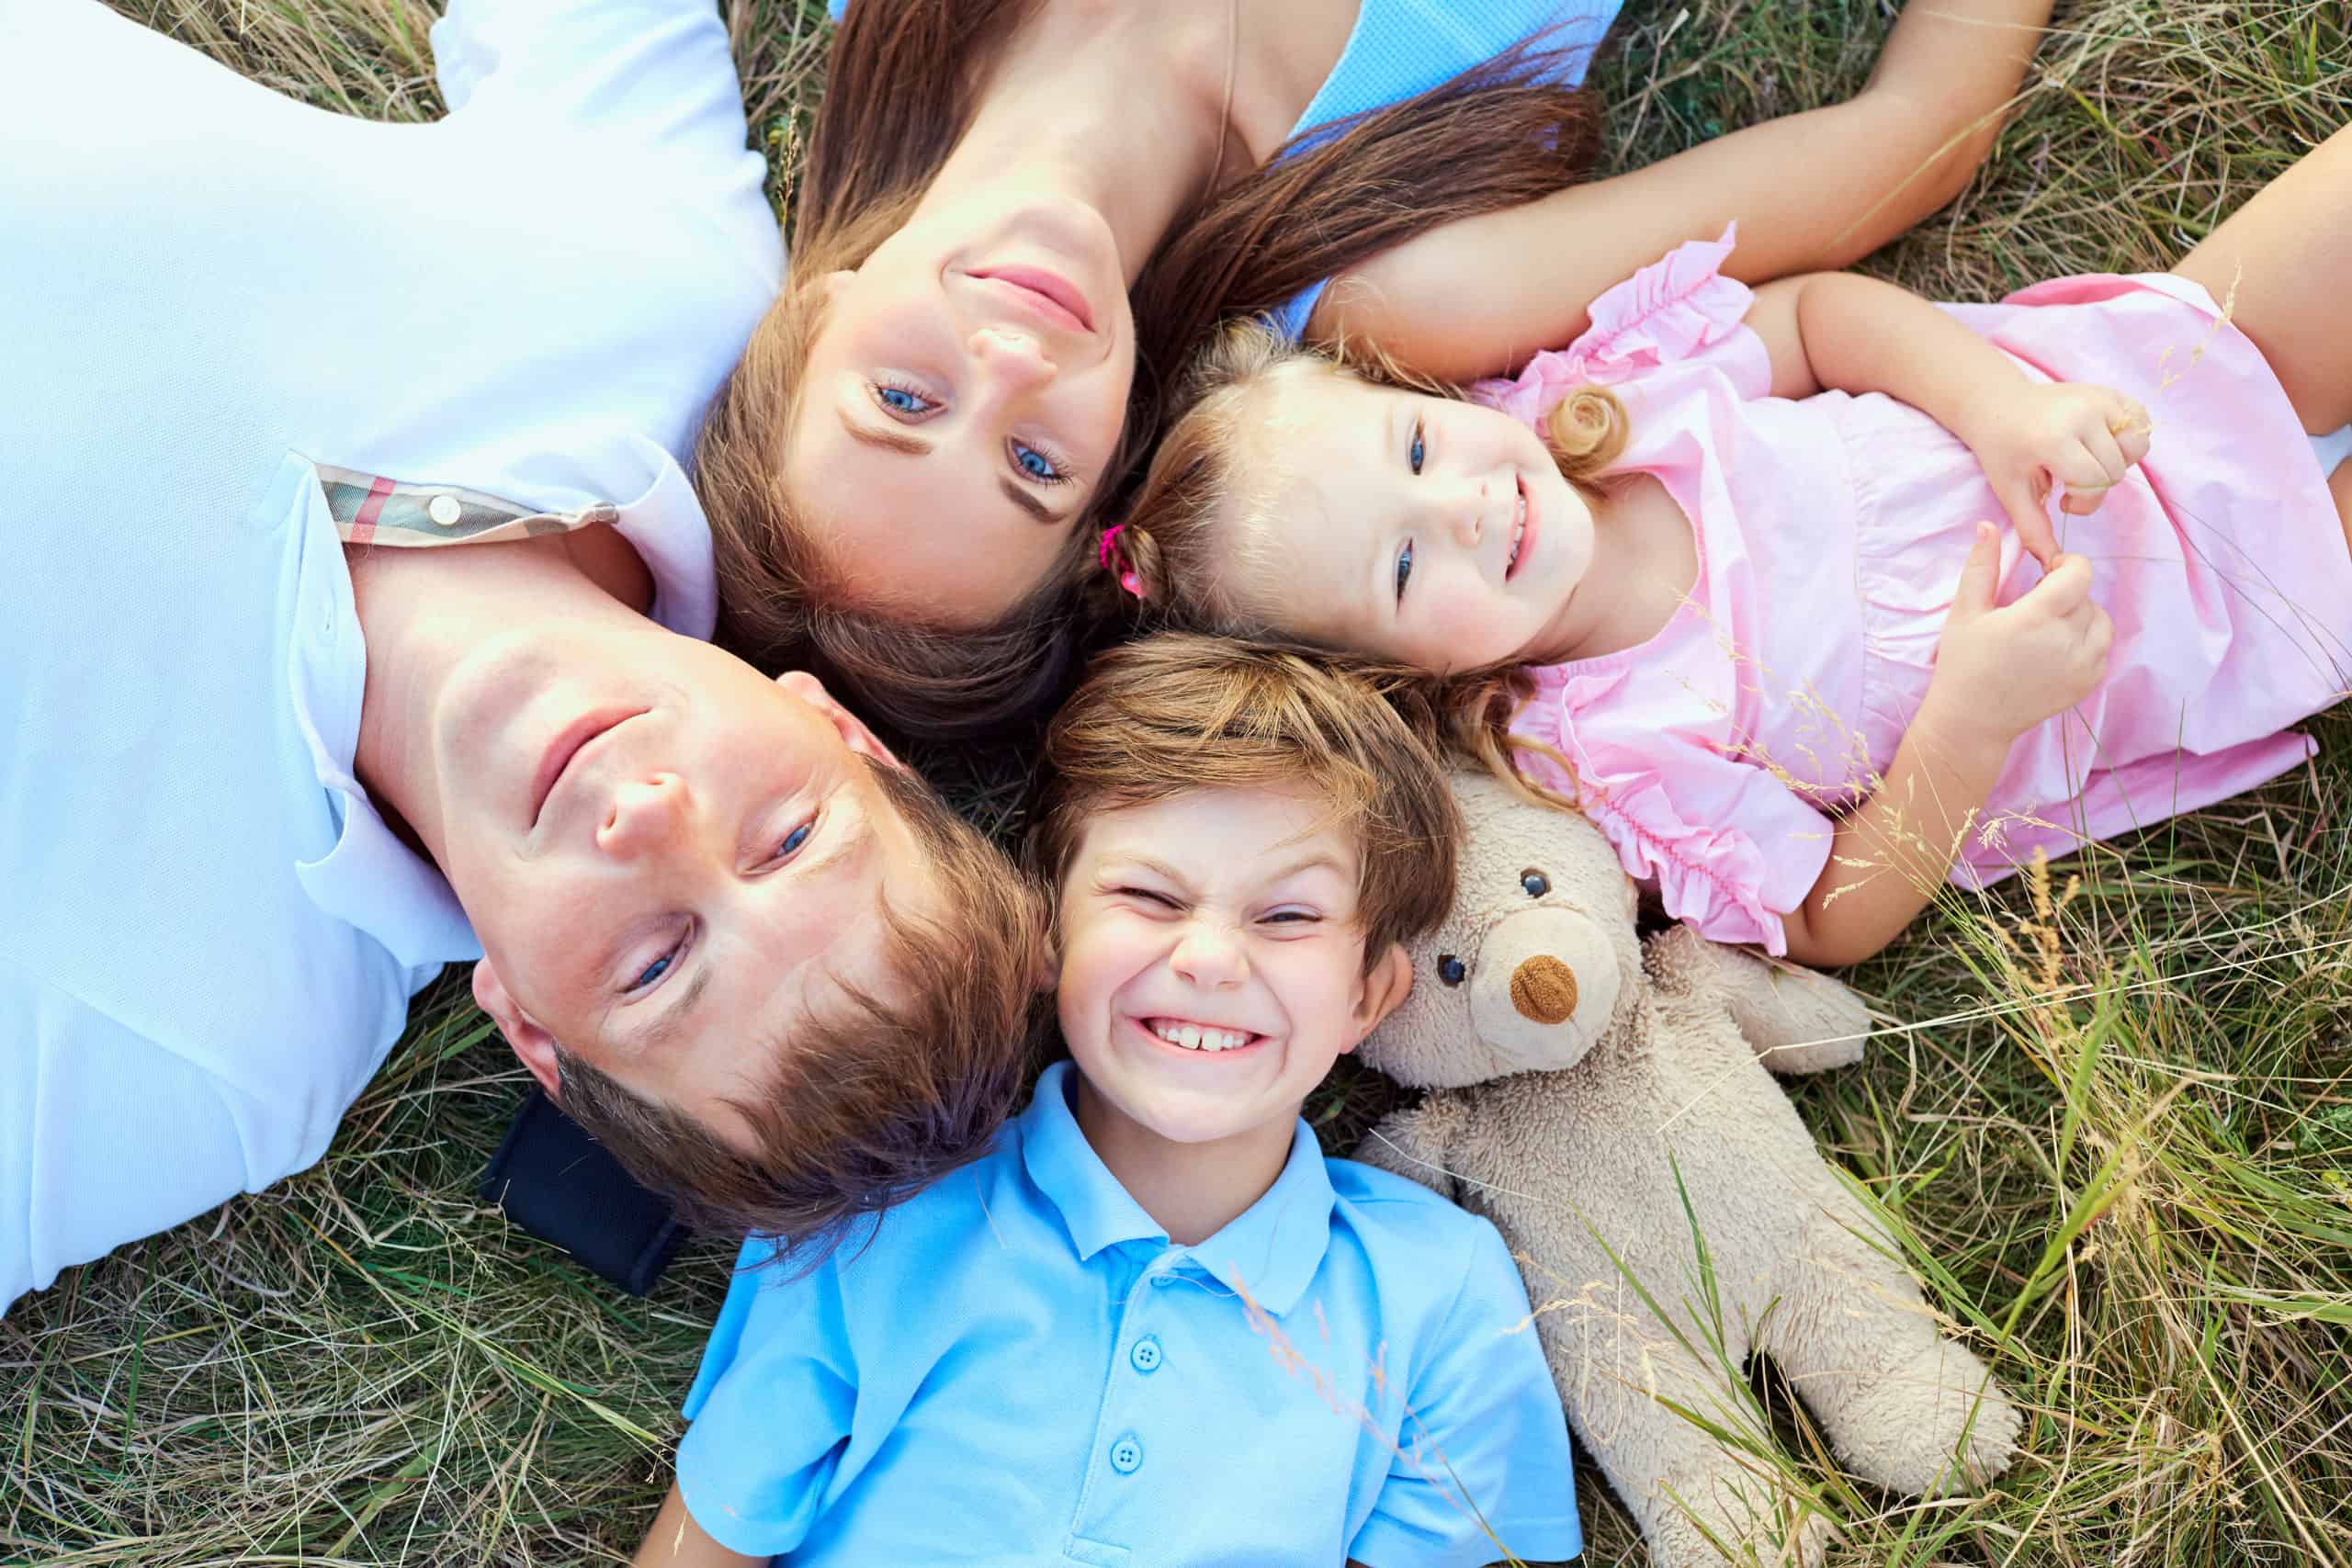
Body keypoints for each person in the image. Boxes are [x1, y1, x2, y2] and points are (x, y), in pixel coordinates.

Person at [0, 0, 1048, 1314]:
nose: (650, 817)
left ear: (535, 1036)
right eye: (786, 835)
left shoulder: (220, 1049)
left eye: (658, 962)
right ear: (842, 731)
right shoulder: (668, 288)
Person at [1100, 125, 2352, 968]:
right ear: (1390, 678)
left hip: (2126, 393)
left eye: (1420, 452)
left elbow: (1815, 320)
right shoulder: (1601, 751)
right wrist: (1971, 717)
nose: (1466, 510)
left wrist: (2003, 408)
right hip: (2180, 625)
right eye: (1406, 567)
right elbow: (1823, 911)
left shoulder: (1603, 396)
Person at [695, 0, 2059, 736]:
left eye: (904, 401)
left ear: (812, 319)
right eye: (1036, 465)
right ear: (1119, 457)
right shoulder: (1394, 288)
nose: (1011, 363)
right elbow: (1915, 134)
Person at [630, 636, 1581, 1568]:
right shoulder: (874, 1217)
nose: (1209, 958)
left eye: (1287, 916)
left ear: (1368, 995)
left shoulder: (1437, 1293)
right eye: (1149, 897)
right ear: (1045, 931)